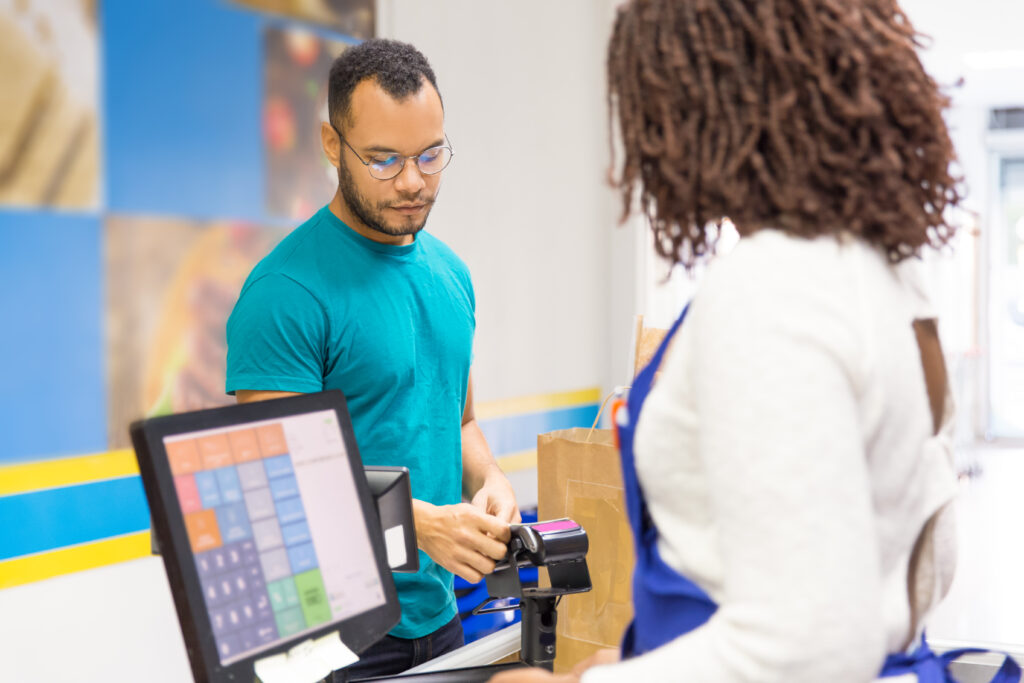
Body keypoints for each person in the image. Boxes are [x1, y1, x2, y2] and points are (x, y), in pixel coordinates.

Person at [493, 1, 1022, 682]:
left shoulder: (774, 286)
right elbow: (919, 563)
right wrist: (644, 660)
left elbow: (810, 646)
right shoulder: (882, 271)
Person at [226, 39, 520, 678]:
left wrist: (489, 480)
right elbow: (280, 482)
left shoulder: (452, 276)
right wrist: (416, 525)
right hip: (330, 641)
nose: (413, 181)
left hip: (439, 620)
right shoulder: (285, 294)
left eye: (430, 154)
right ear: (333, 146)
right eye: (385, 159)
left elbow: (460, 422)